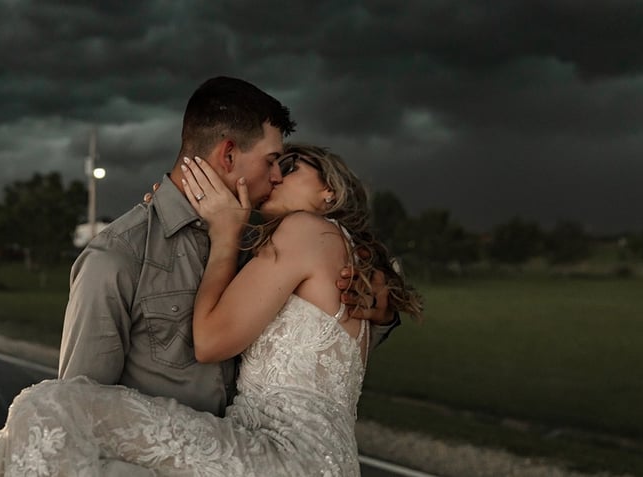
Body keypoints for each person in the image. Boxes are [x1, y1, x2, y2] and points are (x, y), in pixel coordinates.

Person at [0, 144, 423, 476]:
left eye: (293, 165)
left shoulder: (304, 230)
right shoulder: (341, 257)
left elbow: (211, 341)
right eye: (276, 163)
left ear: (330, 193)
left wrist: (222, 235)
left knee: (50, 404)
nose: (276, 174)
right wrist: (168, 214)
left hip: (279, 456)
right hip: (326, 461)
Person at [57, 76, 399, 418]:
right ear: (229, 154)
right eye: (271, 161)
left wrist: (378, 306)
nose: (277, 177)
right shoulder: (119, 255)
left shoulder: (265, 245)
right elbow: (77, 409)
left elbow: (316, 349)